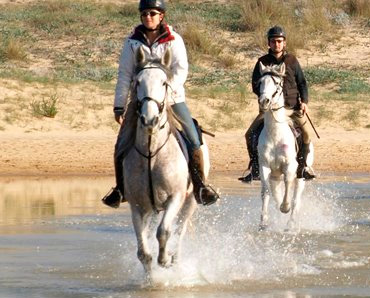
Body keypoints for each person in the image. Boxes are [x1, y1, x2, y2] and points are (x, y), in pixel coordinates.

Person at [102, 0, 219, 208]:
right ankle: (121, 189)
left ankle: (201, 185)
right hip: (140, 101)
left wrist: (166, 93)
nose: (148, 17)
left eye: (153, 13)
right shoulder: (131, 43)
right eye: (145, 13)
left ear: (161, 16)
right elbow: (124, 75)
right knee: (121, 145)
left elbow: (181, 70)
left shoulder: (174, 40)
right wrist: (119, 105)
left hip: (172, 99)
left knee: (193, 139)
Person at [239, 25, 316, 183]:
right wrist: (266, 97)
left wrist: (305, 102)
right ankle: (254, 167)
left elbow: (302, 82)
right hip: (269, 110)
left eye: (279, 41)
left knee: (307, 134)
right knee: (249, 135)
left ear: (284, 43)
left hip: (293, 108)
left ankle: (303, 167)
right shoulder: (262, 62)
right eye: (273, 41)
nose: (277, 44)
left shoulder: (292, 61)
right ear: (269, 43)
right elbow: (255, 84)